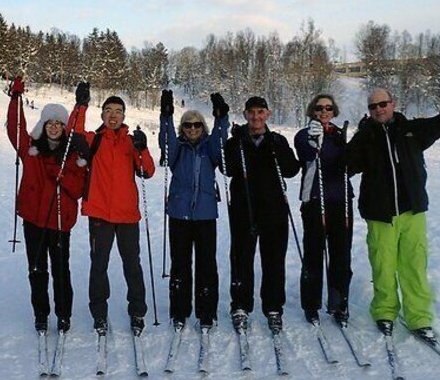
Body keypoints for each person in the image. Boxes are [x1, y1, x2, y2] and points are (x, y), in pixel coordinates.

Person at [346, 78, 440, 339]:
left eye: (383, 104)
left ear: (393, 104)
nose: (378, 109)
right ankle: (385, 311)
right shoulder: (366, 137)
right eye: (373, 106)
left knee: (414, 265)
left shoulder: (411, 130)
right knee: (383, 265)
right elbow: (345, 165)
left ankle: (419, 316)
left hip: (412, 211)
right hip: (380, 214)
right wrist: (353, 138)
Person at [69, 84, 156, 335]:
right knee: (99, 265)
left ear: (124, 116)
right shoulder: (93, 140)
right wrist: (81, 106)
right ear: (103, 115)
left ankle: (137, 312)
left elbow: (147, 171)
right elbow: (73, 133)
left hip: (127, 215)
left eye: (118, 111)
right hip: (100, 215)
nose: (113, 115)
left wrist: (142, 147)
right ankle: (99, 313)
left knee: (132, 265)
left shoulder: (131, 142)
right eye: (108, 110)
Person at [7, 77, 87, 333]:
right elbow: (15, 129)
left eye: (58, 123)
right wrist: (15, 99)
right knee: (37, 269)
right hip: (33, 220)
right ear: (43, 124)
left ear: (64, 127)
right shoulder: (31, 150)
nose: (54, 127)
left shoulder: (72, 155)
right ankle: (41, 313)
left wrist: (63, 177)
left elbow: (78, 190)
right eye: (50, 123)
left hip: (60, 221)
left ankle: (64, 314)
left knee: (61, 270)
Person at [223, 96, 300, 333]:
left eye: (260, 112)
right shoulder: (235, 141)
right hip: (243, 207)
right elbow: (226, 169)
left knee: (274, 259)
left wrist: (278, 150)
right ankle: (240, 305)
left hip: (273, 208)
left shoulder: (277, 139)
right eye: (251, 112)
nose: (256, 117)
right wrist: (235, 144)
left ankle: (273, 307)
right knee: (241, 258)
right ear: (245, 114)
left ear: (267, 114)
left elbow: (291, 170)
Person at [159, 89, 228, 330]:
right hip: (179, 212)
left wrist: (222, 118)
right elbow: (166, 147)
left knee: (206, 264)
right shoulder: (178, 147)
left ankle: (206, 311)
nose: (192, 129)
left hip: (205, 213)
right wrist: (166, 116)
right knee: (180, 263)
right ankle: (179, 310)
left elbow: (221, 146)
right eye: (188, 125)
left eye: (197, 125)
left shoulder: (209, 148)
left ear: (203, 127)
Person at [293, 94, 354, 326]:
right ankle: (311, 304)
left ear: (334, 110)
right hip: (315, 200)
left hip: (341, 200)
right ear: (313, 110)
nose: (324, 111)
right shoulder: (304, 134)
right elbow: (306, 154)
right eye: (319, 108)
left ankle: (340, 303)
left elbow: (350, 162)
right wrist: (313, 143)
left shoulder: (340, 135)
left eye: (328, 108)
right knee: (314, 253)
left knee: (341, 253)